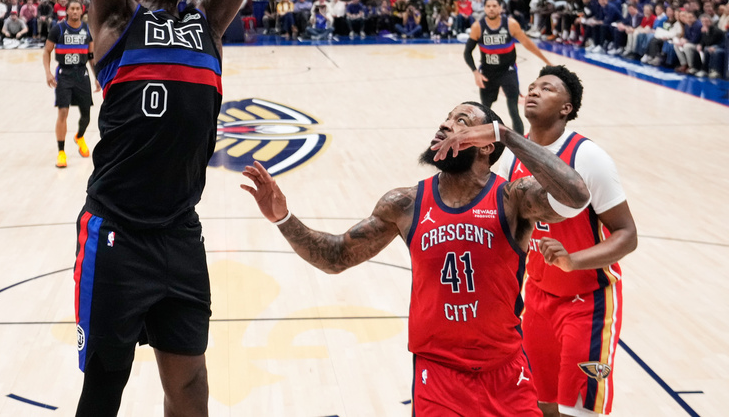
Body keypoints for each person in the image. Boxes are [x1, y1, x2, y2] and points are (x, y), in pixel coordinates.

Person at [74, 0, 259, 417]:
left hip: (180, 230)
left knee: (190, 386)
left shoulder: (208, 23)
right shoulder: (115, 24)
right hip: (116, 230)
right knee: (105, 387)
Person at [241, 101, 590, 416]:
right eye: (446, 118)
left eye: (462, 121)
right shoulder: (405, 204)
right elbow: (336, 257)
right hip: (438, 375)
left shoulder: (512, 197)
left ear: (486, 144)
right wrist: (284, 219)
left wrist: (508, 135)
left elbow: (575, 195)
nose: (446, 124)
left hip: (506, 371)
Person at [496, 66, 637, 417]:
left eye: (546, 88)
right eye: (531, 86)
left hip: (588, 301)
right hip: (537, 299)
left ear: (566, 108)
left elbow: (627, 235)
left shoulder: (587, 157)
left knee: (579, 411)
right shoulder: (513, 157)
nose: (534, 90)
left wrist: (573, 260)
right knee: (541, 404)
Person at [465, 0, 552, 135]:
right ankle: (481, 145)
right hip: (487, 73)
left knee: (514, 110)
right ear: (485, 8)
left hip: (508, 71)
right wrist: (475, 72)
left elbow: (527, 43)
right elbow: (467, 52)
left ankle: (521, 146)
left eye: (494, 6)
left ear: (500, 8)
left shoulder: (510, 24)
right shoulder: (478, 27)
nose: (491, 9)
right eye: (488, 6)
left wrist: (546, 61)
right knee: (485, 111)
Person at [43, 0, 99, 168]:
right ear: (66, 11)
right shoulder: (58, 29)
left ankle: (79, 137)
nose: (74, 11)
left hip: (82, 74)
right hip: (64, 75)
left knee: (86, 115)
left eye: (77, 9)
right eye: (72, 9)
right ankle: (61, 152)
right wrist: (48, 73)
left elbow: (91, 56)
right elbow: (46, 51)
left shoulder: (87, 30)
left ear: (82, 11)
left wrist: (97, 76)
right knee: (63, 112)